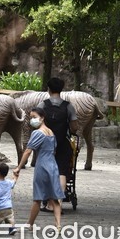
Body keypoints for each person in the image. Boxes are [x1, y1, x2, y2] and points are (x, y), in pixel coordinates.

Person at [13, 107, 64, 232]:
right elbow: (54, 149)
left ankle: (30, 224)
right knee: (55, 198)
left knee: (38, 197)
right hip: (53, 166)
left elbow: (28, 151)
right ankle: (58, 225)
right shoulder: (51, 133)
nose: (32, 120)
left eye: (34, 117)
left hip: (42, 165)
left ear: (42, 118)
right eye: (31, 117)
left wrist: (19, 167)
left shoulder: (37, 133)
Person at [37, 77, 78, 212]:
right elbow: (74, 128)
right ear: (61, 90)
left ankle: (48, 202)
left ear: (48, 89)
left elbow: (36, 124)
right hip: (62, 143)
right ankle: (57, 204)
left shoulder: (42, 105)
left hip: (46, 144)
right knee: (62, 172)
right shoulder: (68, 106)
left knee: (47, 172)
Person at [0, 163, 17, 235]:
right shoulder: (8, 182)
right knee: (10, 218)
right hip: (8, 206)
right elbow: (14, 182)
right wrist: (15, 176)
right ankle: (12, 228)